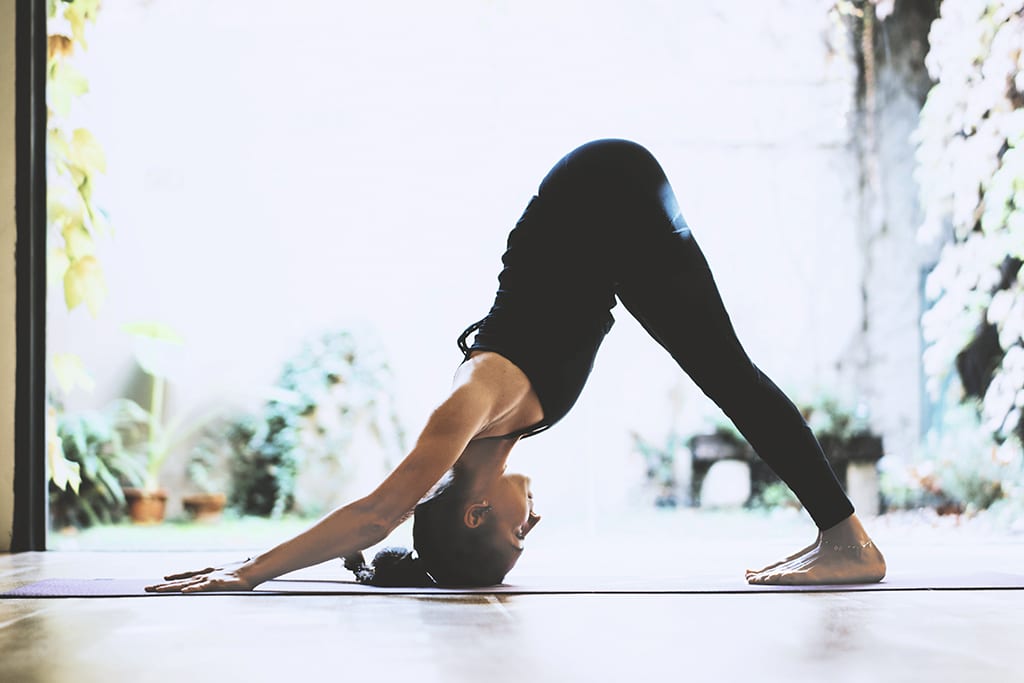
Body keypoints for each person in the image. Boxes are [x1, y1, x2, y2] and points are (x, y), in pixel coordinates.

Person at [147, 139, 886, 593]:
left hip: (602, 194)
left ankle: (847, 541)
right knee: (726, 372)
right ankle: (841, 536)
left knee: (726, 372)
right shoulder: (502, 428)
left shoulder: (467, 406)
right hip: (611, 223)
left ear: (475, 510)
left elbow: (377, 514)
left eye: (517, 533)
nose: (534, 520)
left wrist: (248, 569)